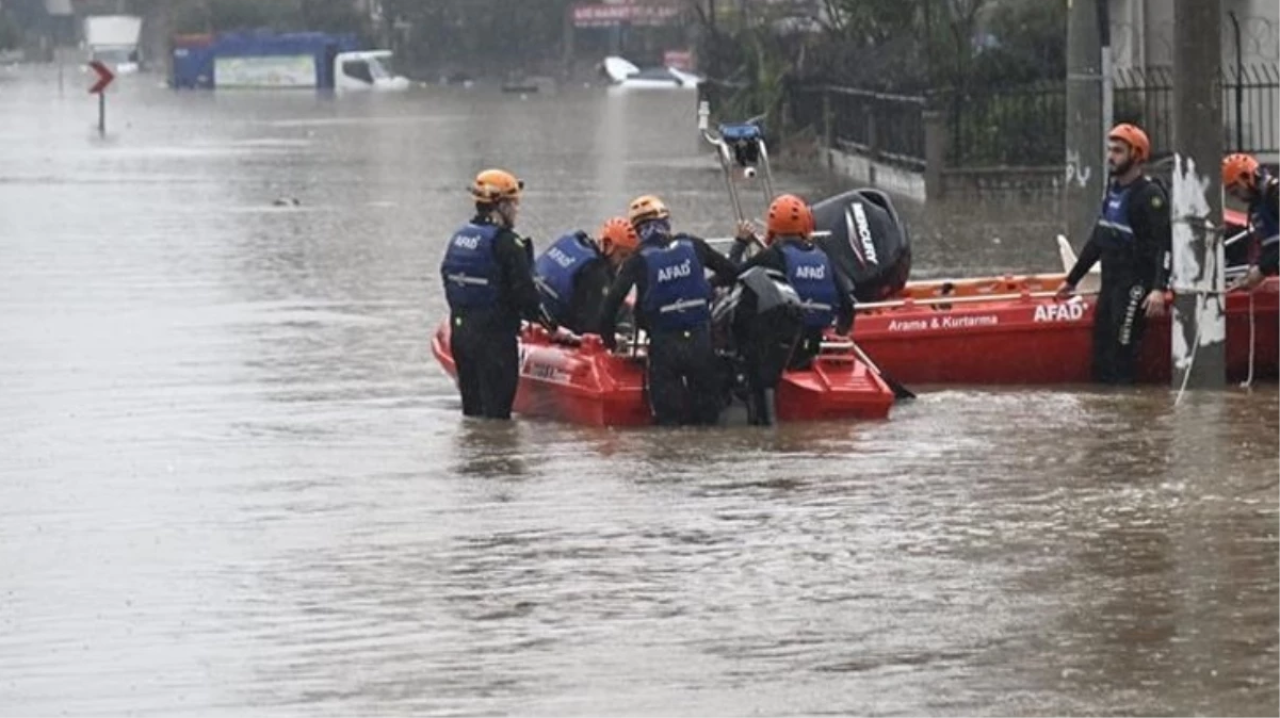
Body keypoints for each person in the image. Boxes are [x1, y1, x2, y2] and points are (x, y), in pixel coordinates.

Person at [596, 195, 739, 426]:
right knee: (707, 421)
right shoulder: (693, 245)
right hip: (700, 343)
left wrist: (610, 342)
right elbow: (732, 272)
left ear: (638, 230)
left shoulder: (638, 260)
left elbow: (610, 306)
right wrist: (706, 287)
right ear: (666, 221)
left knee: (669, 423)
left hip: (664, 347)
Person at [1056, 123, 1171, 385]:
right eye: (1109, 150)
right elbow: (1099, 240)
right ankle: (1108, 417)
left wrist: (1158, 289)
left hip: (1135, 287)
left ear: (1137, 154)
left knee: (1122, 352)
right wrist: (1072, 279)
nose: (1111, 156)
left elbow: (1165, 244)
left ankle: (1128, 413)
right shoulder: (1114, 191)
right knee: (1101, 353)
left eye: (1118, 151)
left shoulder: (1149, 196)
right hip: (1111, 284)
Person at [440, 168, 552, 420]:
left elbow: (447, 277)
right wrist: (548, 324)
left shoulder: (459, 237)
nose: (517, 210)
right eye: (513, 203)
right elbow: (527, 296)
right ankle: (497, 458)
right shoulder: (507, 243)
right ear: (499, 206)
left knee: (472, 413)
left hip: (462, 337)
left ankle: (475, 456)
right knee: (498, 419)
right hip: (495, 342)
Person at [734, 194, 856, 368]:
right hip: (816, 343)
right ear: (806, 225)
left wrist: (740, 243)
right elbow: (848, 308)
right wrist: (839, 338)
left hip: (784, 349)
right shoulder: (823, 258)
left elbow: (733, 274)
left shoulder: (772, 255)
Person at [533, 217, 639, 335]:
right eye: (623, 256)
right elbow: (590, 325)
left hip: (537, 307)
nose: (623, 264)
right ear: (608, 246)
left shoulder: (576, 243)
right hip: (561, 320)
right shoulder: (596, 272)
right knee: (623, 311)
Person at [1222, 153, 1279, 291]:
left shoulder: (1274, 194)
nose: (1237, 198)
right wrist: (1254, 270)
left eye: (1235, 192)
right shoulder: (1258, 204)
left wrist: (1261, 270)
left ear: (1245, 178)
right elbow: (1270, 247)